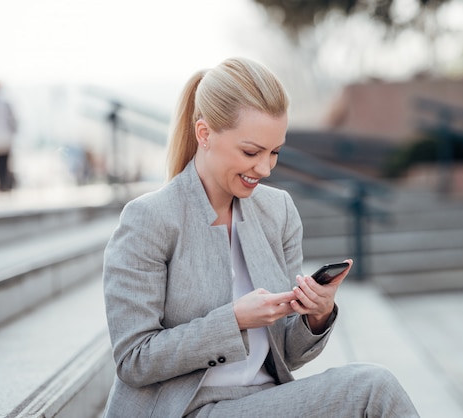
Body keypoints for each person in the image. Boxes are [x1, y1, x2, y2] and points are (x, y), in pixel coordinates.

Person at [101, 57, 420, 418]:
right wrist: (233, 320)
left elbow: (289, 356)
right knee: (372, 388)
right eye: (251, 152)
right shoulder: (149, 219)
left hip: (262, 402)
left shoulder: (277, 211)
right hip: (185, 410)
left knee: (374, 387)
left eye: (275, 153)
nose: (265, 168)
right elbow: (134, 360)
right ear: (204, 134)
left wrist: (316, 314)